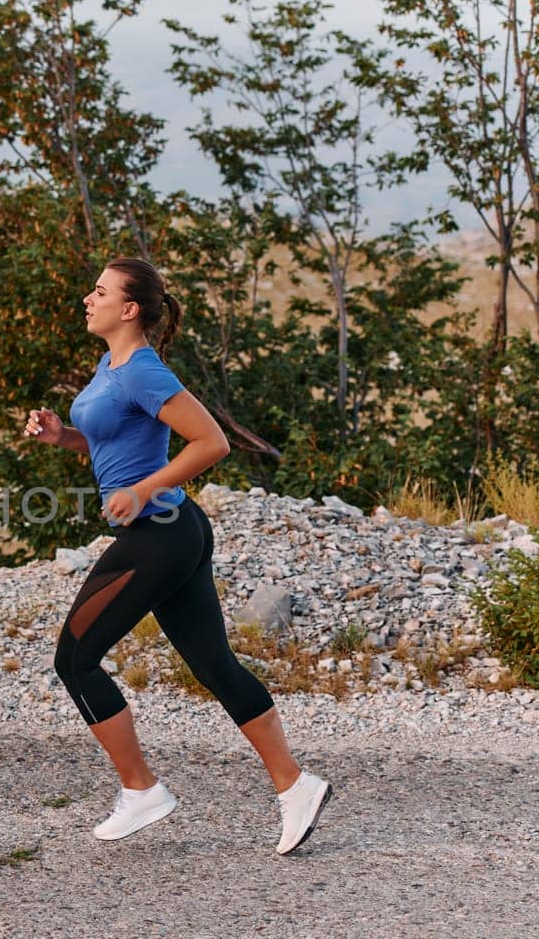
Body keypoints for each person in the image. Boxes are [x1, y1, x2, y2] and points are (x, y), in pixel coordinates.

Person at [24, 257, 331, 854]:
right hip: (174, 530)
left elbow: (211, 441)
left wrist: (142, 490)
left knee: (75, 660)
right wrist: (65, 436)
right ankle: (295, 786)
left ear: (129, 308)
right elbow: (113, 435)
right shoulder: (110, 365)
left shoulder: (143, 370)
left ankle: (142, 791)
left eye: (100, 291)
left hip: (159, 533)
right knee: (214, 666)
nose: (89, 298)